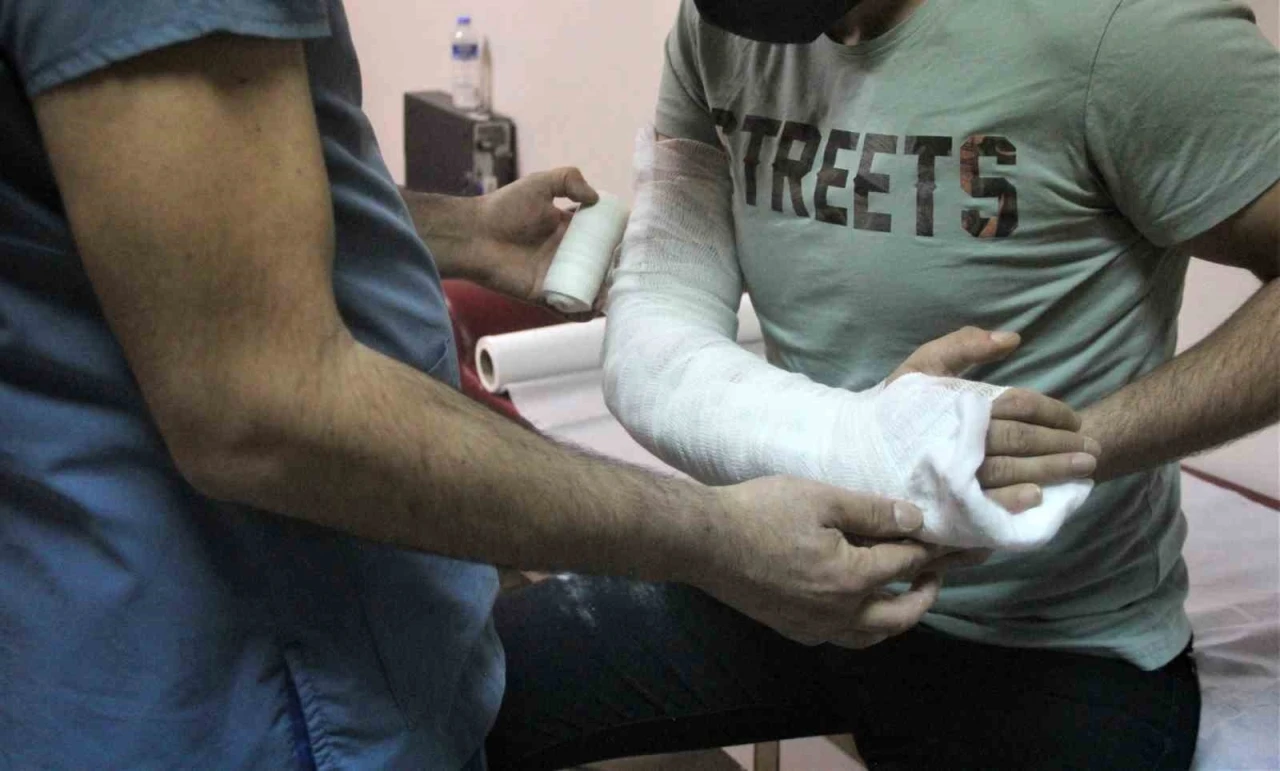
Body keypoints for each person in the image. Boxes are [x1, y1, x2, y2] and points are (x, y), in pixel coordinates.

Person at [0, 0, 1092, 767]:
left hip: (155, 647)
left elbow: (168, 211)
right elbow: (263, 408)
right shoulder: (719, 38)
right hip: (241, 683)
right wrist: (723, 533)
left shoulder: (1107, 39)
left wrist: (452, 230)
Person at [486, 0, 1279, 768]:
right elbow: (661, 319)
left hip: (1049, 642)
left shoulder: (1123, 25)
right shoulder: (724, 22)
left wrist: (1069, 447)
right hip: (780, 563)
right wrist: (866, 446)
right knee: (457, 687)